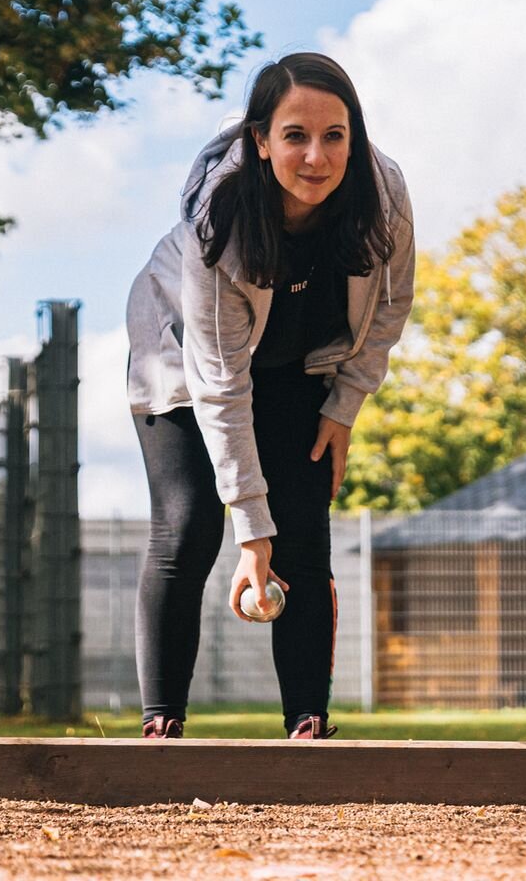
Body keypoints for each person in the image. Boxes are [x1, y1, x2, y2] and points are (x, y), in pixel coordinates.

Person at [125, 53, 415, 739]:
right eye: (294, 136)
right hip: (182, 355)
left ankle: (307, 723)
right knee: (191, 520)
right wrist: (250, 530)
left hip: (298, 361)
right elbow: (221, 386)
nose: (316, 156)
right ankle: (161, 721)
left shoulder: (384, 191)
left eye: (335, 136)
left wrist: (343, 408)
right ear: (261, 139)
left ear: (355, 135)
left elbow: (390, 308)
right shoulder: (219, 220)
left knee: (304, 528)